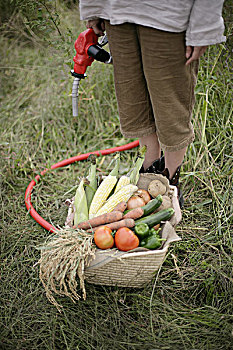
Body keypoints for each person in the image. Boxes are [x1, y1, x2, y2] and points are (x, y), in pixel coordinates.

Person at [79, 0, 226, 206]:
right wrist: (94, 8)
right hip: (116, 10)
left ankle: (169, 181)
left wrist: (204, 26)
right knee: (133, 97)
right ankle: (147, 174)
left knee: (170, 102)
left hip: (169, 12)